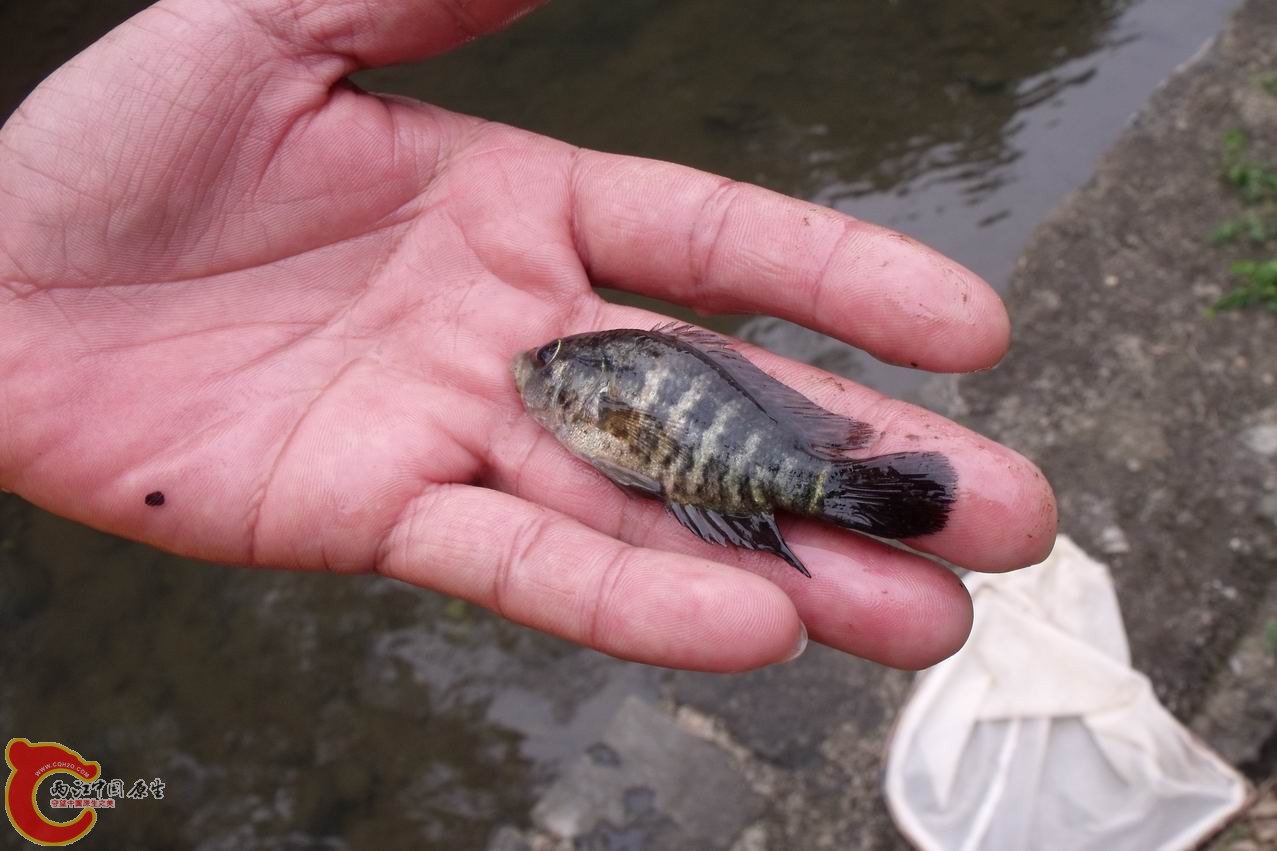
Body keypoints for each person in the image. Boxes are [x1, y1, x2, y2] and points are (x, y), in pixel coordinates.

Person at [0, 0, 1055, 673]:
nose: (528, 374)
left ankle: (845, 492)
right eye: (549, 370)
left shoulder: (587, 398)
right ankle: (838, 492)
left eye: (549, 370)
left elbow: (658, 426)